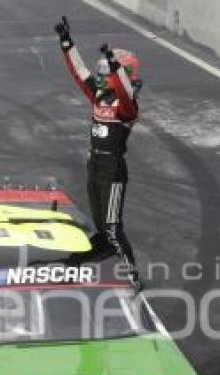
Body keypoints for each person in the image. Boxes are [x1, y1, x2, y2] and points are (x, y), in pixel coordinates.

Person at [54, 16, 143, 285]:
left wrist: (115, 66)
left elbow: (126, 93)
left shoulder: (128, 107)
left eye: (108, 72)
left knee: (114, 228)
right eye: (103, 71)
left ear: (122, 74)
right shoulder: (100, 96)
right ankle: (93, 266)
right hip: (94, 165)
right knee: (102, 229)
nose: (102, 76)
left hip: (114, 168)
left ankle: (131, 276)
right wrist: (67, 43)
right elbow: (80, 73)